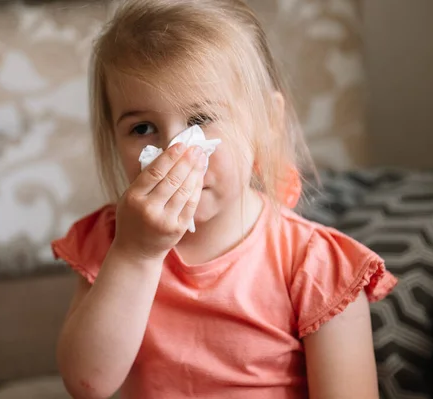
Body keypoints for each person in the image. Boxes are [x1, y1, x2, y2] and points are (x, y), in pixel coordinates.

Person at [52, 1, 397, 398]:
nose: (173, 151)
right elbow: (87, 384)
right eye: (143, 127)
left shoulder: (314, 265)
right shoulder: (112, 241)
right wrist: (136, 255)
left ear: (267, 122)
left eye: (200, 120)